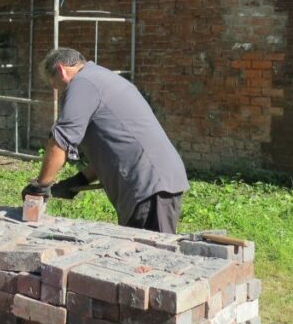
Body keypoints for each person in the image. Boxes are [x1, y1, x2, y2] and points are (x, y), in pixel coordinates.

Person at [23, 47, 189, 234]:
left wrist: (40, 186)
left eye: (56, 86)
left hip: (148, 185)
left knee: (151, 256)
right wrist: (78, 180)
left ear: (61, 70)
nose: (59, 92)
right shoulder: (100, 78)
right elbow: (115, 147)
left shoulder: (82, 83)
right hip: (153, 181)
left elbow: (61, 140)